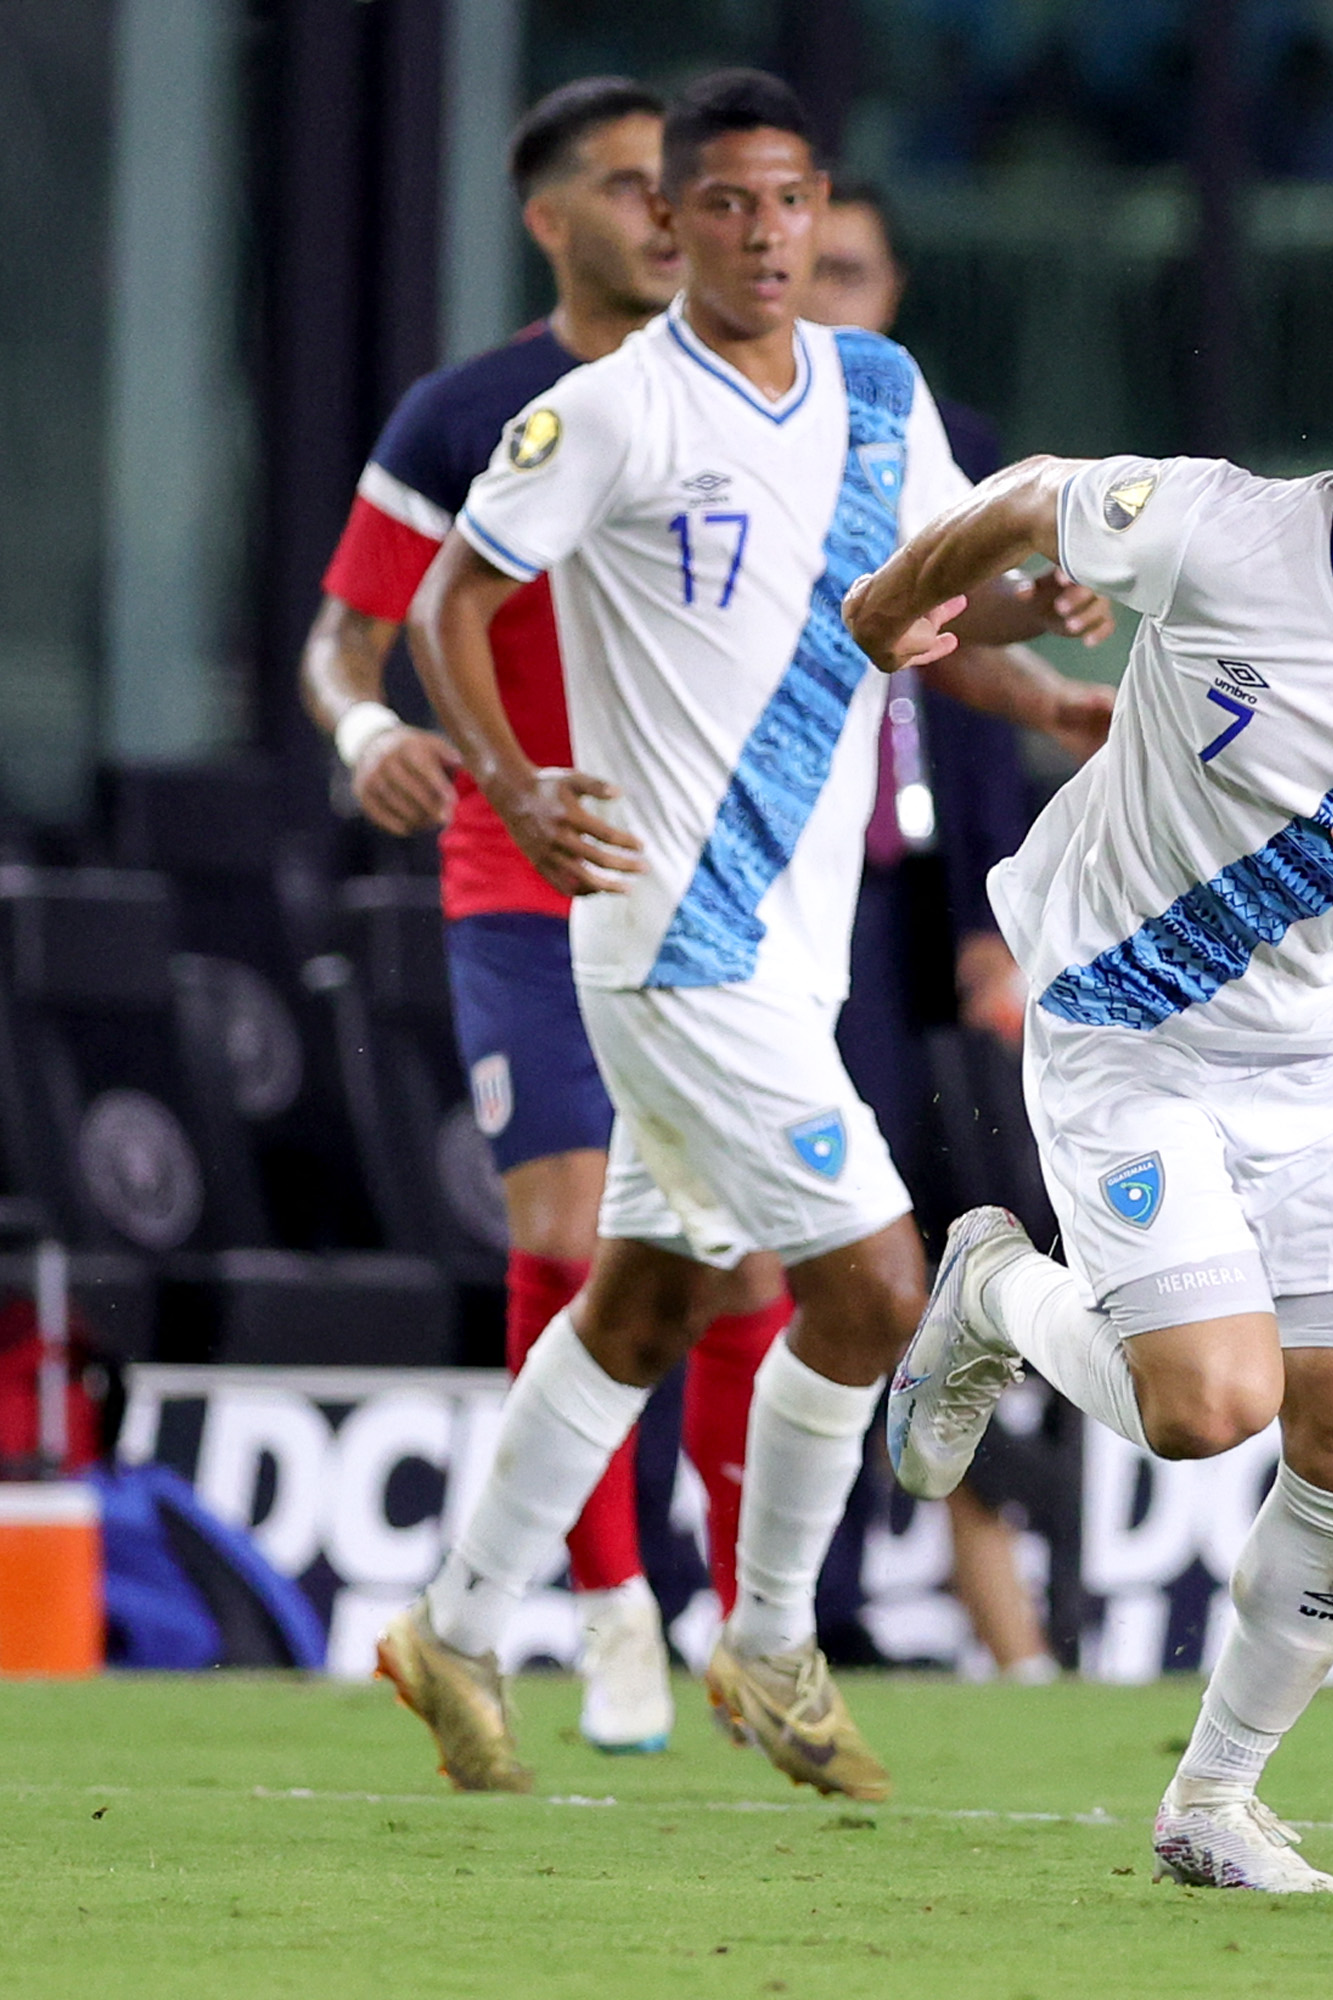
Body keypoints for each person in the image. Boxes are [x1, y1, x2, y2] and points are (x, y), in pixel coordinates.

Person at [373, 69, 1112, 1802]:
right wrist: (516, 781)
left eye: (793, 203)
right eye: (727, 204)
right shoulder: (616, 411)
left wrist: (1038, 625)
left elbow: (929, 596)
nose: (766, 233)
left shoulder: (877, 391)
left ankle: (457, 1625)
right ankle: (770, 1639)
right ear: (671, 222)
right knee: (872, 1283)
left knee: (644, 1303)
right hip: (671, 932)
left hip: (799, 938)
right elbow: (447, 599)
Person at [848, 294, 1333, 1890]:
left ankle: (1211, 1801)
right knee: (1210, 1408)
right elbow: (1028, 493)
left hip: (1329, 1049)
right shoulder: (1216, 529)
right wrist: (894, 602)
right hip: (1123, 1009)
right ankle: (994, 1289)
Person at [304, 75, 797, 1756]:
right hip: (524, 876)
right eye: (628, 186)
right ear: (548, 219)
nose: (672, 213)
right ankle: (611, 1609)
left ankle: (748, 1610)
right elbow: (346, 639)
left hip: (722, 889)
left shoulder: (764, 402)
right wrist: (373, 730)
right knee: (565, 1232)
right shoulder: (466, 413)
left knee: (738, 1260)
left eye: (686, 186)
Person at [799, 172, 1074, 1681]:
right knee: (820, 1238)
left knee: (925, 1245)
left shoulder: (946, 450)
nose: (829, 293)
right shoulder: (741, 445)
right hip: (795, 892)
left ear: (890, 292)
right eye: (809, 268)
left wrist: (989, 918)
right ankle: (789, 1601)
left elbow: (963, 713)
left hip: (913, 907)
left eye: (852, 268)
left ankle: (870, 1600)